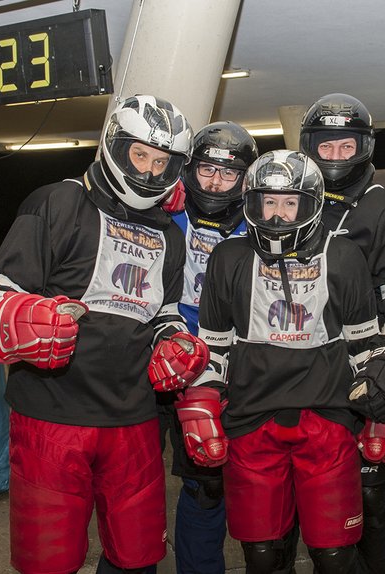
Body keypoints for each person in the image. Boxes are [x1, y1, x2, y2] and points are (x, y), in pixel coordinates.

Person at [0, 94, 211, 574]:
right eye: (139, 155)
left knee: (138, 554)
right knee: (48, 560)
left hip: (134, 417)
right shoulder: (57, 202)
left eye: (161, 161)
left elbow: (161, 310)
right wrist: (20, 319)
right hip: (52, 414)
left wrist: (174, 340)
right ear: (115, 148)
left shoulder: (170, 233)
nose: (147, 170)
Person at [183, 149, 385, 573]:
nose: (278, 215)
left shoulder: (344, 255)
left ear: (310, 205)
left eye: (290, 203)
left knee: (334, 554)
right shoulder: (229, 258)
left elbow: (363, 346)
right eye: (268, 202)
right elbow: (214, 345)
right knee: (262, 555)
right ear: (251, 203)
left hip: (327, 421)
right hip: (250, 422)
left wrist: (384, 412)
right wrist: (200, 403)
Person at [300, 92, 385, 574]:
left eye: (346, 147)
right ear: (308, 146)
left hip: (363, 364)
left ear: (364, 148)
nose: (335, 157)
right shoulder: (296, 200)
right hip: (299, 361)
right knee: (306, 484)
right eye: (325, 146)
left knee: (369, 489)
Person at [154, 121, 258, 574]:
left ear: (244, 179)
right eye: (207, 170)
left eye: (228, 173)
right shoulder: (159, 210)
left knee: (206, 481)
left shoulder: (259, 228)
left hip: (216, 370)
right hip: (151, 358)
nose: (215, 183)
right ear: (190, 169)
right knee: (130, 480)